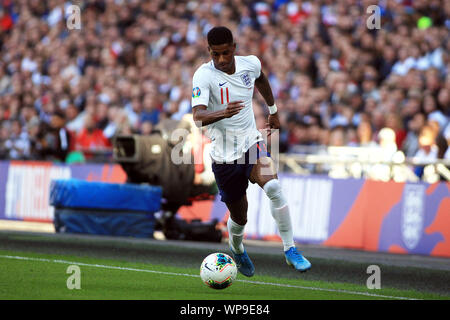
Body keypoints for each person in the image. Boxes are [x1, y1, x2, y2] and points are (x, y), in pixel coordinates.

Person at [191, 26, 311, 277]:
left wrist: (274, 110)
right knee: (239, 216)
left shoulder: (250, 64)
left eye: (225, 53)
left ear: (234, 47)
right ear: (209, 52)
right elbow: (198, 117)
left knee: (274, 188)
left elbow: (262, 79)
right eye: (215, 55)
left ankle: (290, 249)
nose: (221, 60)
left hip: (251, 144)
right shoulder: (203, 76)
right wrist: (222, 112)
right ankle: (236, 247)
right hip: (224, 157)